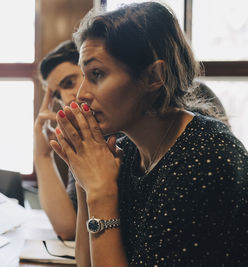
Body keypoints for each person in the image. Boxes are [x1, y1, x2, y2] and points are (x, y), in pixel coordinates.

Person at [50, 2, 248, 266]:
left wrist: (101, 191)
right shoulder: (128, 150)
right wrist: (86, 179)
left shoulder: (207, 157)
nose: (81, 94)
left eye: (97, 74)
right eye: (84, 76)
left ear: (154, 76)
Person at [34, 40, 81, 240]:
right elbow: (68, 229)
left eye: (69, 83)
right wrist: (42, 155)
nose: (67, 99)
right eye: (58, 96)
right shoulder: (81, 139)